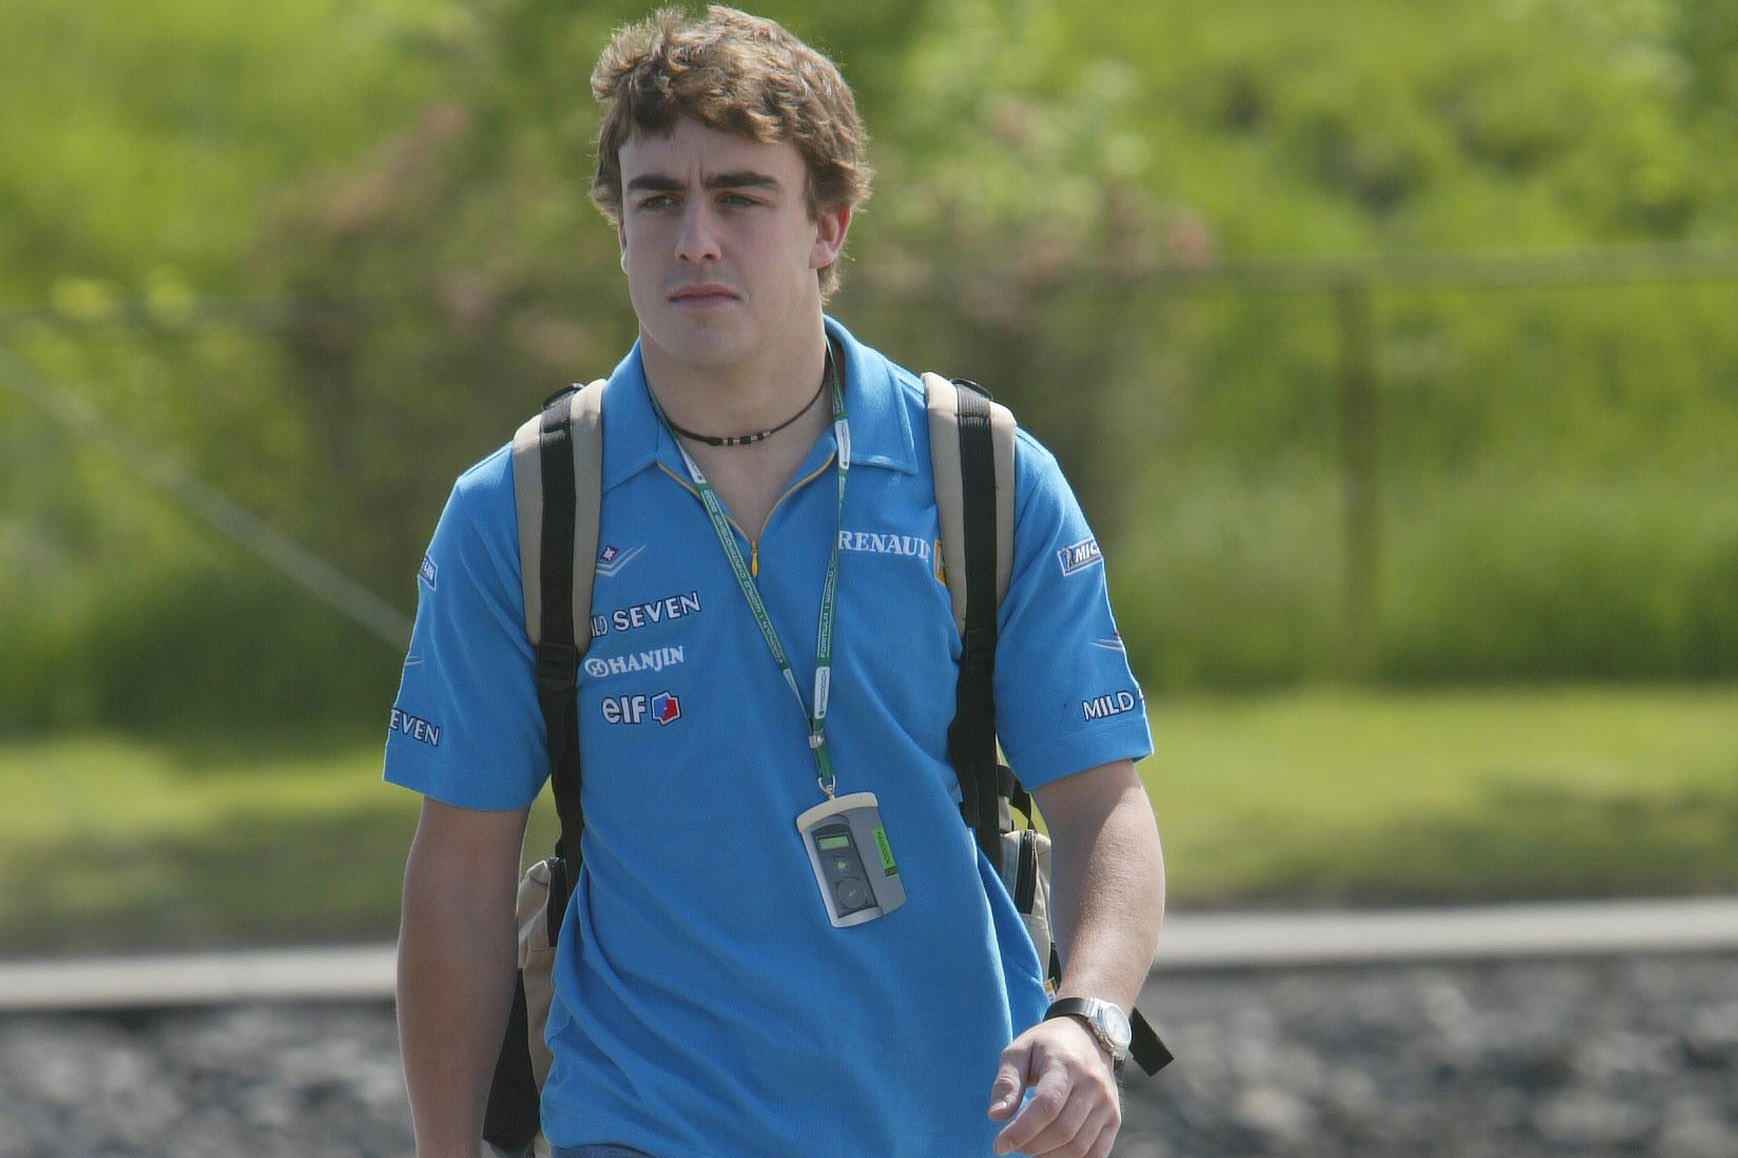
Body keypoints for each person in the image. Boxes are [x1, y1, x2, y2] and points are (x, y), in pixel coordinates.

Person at [387, 7, 1165, 1157]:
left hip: (964, 1123)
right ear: (619, 229)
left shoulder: (980, 473)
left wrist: (1088, 1018)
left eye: (740, 196)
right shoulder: (522, 510)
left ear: (825, 225)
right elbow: (458, 876)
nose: (692, 237)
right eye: (656, 199)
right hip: (642, 1122)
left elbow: (1105, 806)